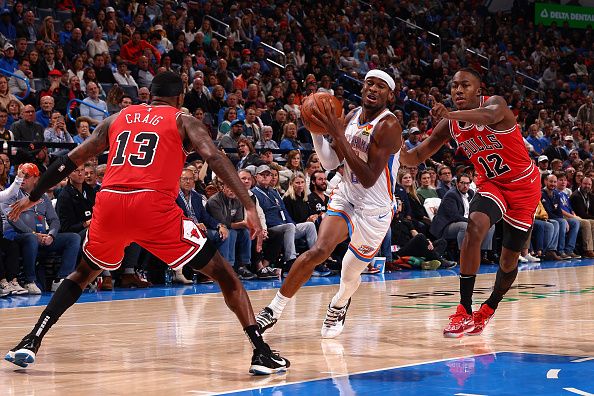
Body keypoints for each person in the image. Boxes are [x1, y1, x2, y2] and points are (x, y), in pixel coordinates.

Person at [4, 72, 289, 375]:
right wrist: (249, 205)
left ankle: (31, 339)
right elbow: (216, 158)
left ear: (149, 95)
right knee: (224, 274)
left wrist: (34, 195)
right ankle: (261, 352)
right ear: (179, 98)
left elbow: (70, 159)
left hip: (110, 201)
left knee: (83, 272)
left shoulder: (118, 118)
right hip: (151, 205)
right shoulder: (183, 120)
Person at [256, 70, 402, 338]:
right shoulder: (352, 116)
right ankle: (273, 310)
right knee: (320, 249)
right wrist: (317, 132)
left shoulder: (388, 126)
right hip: (347, 195)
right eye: (369, 83)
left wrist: (339, 134)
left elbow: (369, 177)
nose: (373, 89)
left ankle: (339, 302)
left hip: (376, 209)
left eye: (380, 86)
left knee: (349, 273)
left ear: (390, 95)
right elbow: (331, 163)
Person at [400, 68, 541, 338]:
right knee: (475, 225)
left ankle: (488, 309)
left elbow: (487, 116)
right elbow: (415, 157)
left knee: (509, 260)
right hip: (492, 184)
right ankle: (464, 309)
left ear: (478, 90)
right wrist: (393, 147)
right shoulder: (450, 124)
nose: (458, 90)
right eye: (454, 86)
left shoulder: (496, 104)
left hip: (524, 186)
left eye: (465, 85)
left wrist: (449, 114)